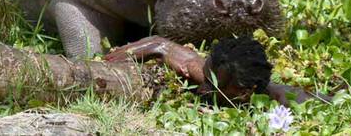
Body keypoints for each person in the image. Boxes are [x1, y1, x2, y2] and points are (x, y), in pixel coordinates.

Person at [104, 36, 330, 106]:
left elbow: (336, 105)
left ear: (244, 92)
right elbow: (162, 45)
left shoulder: (288, 101)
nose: (201, 86)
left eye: (211, 85)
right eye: (205, 74)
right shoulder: (207, 72)